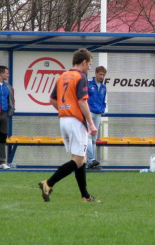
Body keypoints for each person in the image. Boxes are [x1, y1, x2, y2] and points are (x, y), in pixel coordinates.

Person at [39, 48, 100, 202]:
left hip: (64, 120)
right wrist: (91, 123)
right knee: (79, 160)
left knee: (81, 159)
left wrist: (64, 108)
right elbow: (82, 101)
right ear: (84, 62)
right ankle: (48, 183)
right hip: (75, 122)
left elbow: (52, 99)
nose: (90, 68)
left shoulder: (62, 76)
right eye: (90, 64)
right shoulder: (81, 77)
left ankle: (85, 196)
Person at [86, 66, 107, 169]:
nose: (101, 76)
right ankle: (90, 160)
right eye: (100, 74)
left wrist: (102, 109)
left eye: (103, 75)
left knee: (94, 138)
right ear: (96, 73)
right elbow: (84, 98)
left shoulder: (103, 87)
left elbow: (103, 101)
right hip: (89, 112)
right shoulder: (89, 83)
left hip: (98, 113)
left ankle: (91, 162)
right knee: (88, 136)